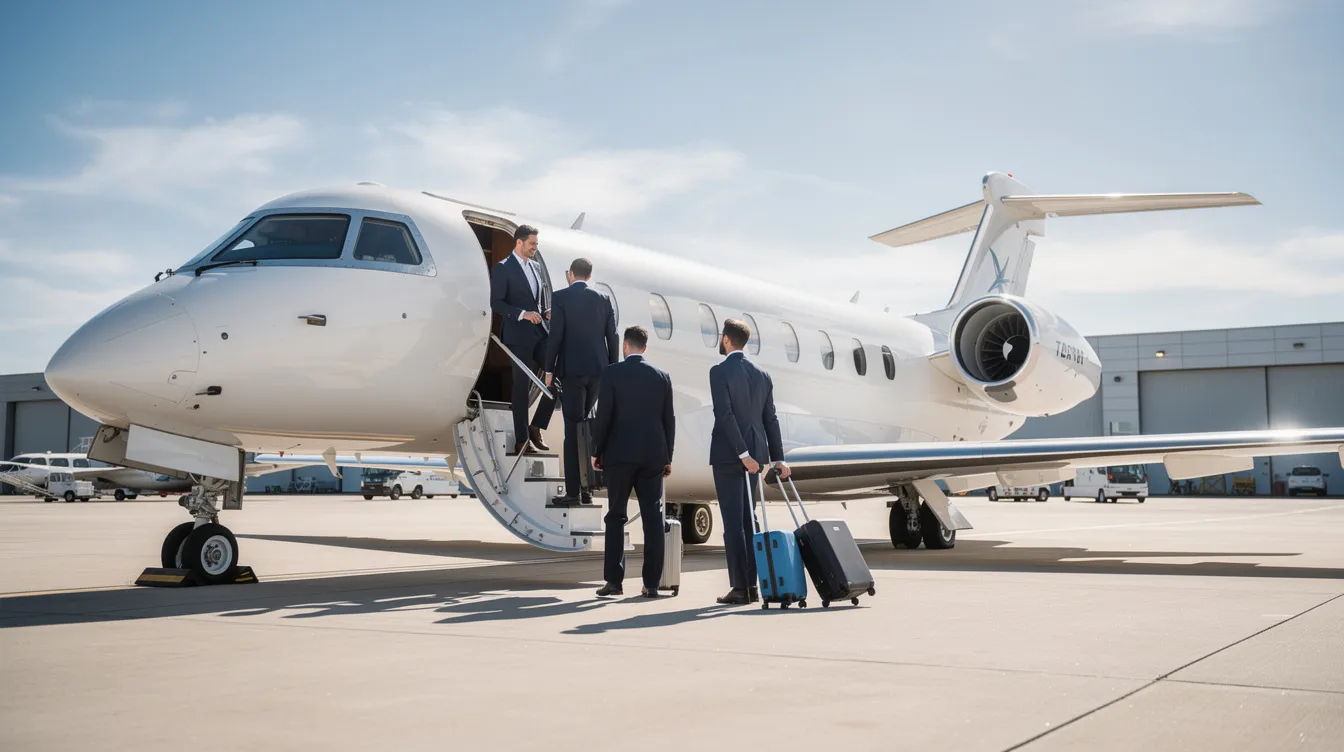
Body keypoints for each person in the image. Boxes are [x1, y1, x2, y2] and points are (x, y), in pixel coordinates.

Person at [590, 326, 676, 598]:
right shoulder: (662, 377)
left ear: (625, 345)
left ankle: (614, 582)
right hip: (653, 455)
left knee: (616, 516)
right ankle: (651, 583)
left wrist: (596, 451)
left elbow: (604, 416)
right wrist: (667, 458)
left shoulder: (613, 373)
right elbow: (668, 421)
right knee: (652, 519)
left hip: (619, 455)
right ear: (645, 348)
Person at [708, 318, 788, 605]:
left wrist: (742, 455)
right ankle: (752, 585)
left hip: (732, 456)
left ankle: (740, 587)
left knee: (734, 522)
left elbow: (724, 414)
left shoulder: (719, 372)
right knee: (748, 518)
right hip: (755, 454)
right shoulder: (762, 375)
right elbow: (771, 418)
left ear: (727, 340)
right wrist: (777, 458)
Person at [543, 258, 619, 506]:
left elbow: (556, 335)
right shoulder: (604, 299)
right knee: (587, 429)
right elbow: (613, 336)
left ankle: (574, 492)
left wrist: (548, 369)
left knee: (572, 431)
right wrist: (611, 368)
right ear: (589, 275)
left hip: (572, 372)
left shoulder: (561, 297)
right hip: (598, 372)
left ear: (571, 274)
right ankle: (587, 489)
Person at [489, 225, 556, 454]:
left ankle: (536, 426)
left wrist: (545, 311)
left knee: (554, 377)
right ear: (519, 242)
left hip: (540, 333)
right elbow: (496, 303)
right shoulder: (502, 269)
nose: (535, 248)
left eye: (536, 244)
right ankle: (522, 440)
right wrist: (522, 314)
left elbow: (536, 301)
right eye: (532, 244)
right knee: (521, 387)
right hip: (517, 335)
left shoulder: (536, 267)